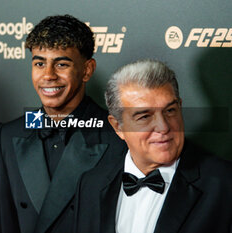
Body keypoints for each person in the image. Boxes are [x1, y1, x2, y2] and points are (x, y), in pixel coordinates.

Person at [0, 15, 126, 233]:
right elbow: (7, 222)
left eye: (61, 64)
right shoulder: (10, 134)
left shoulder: (118, 136)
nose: (48, 75)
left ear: (87, 70)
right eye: (39, 63)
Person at [74, 59, 232, 233]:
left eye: (170, 111)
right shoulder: (91, 185)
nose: (163, 127)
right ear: (118, 127)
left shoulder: (224, 185)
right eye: (144, 117)